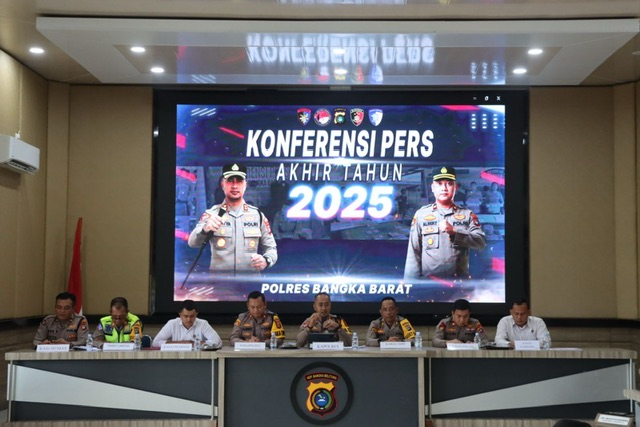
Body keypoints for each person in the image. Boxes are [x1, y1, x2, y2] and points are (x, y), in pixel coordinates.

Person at [188, 163, 278, 277]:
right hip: (220, 283)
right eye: (230, 181)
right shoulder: (212, 214)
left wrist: (266, 260)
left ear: (245, 184)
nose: (235, 186)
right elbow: (192, 242)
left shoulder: (258, 215)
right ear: (223, 184)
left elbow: (271, 248)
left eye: (239, 181)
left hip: (250, 282)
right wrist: (205, 229)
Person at [404, 166, 486, 281]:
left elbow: (481, 242)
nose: (444, 188)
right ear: (432, 187)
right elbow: (414, 253)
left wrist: (455, 233)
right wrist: (411, 284)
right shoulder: (421, 215)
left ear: (455, 187)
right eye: (439, 184)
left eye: (449, 184)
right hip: (429, 285)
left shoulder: (468, 215)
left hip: (459, 284)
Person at [152, 299, 222, 348]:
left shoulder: (203, 324)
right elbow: (155, 342)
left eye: (192, 316)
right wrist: (183, 343)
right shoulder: (172, 323)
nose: (189, 319)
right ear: (180, 314)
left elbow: (218, 342)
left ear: (196, 314)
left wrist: (194, 344)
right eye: (186, 316)